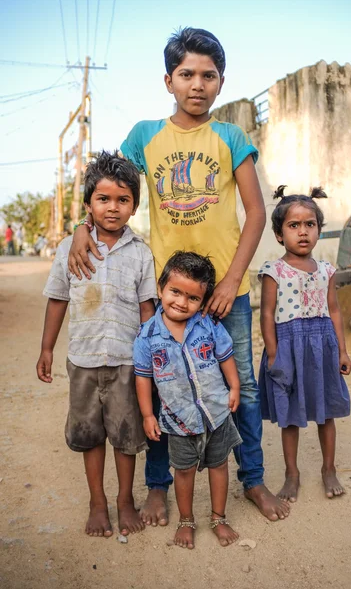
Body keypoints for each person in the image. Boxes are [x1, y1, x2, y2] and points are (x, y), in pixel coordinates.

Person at [68, 27, 290, 523]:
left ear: (221, 82)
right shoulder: (146, 136)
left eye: (208, 76)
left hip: (223, 293)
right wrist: (83, 225)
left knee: (243, 388)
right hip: (168, 295)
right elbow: (108, 183)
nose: (197, 84)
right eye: (186, 74)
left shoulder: (231, 137)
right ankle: (156, 486)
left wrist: (233, 281)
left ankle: (251, 480)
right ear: (168, 80)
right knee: (167, 386)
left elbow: (255, 213)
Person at [36, 151, 158, 538]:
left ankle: (125, 500)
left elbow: (147, 309)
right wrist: (46, 349)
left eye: (123, 200)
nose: (113, 207)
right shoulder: (70, 249)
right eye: (103, 199)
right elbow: (58, 298)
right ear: (89, 204)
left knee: (125, 436)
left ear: (134, 206)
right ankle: (97, 502)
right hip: (84, 360)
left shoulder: (140, 253)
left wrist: (154, 359)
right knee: (90, 435)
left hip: (126, 361)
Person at [134, 251, 242, 549]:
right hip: (177, 420)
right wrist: (147, 415)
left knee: (219, 465)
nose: (181, 302)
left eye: (192, 298)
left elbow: (226, 357)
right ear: (160, 289)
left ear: (202, 301)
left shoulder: (208, 325)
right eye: (175, 292)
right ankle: (186, 520)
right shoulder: (147, 336)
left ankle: (218, 518)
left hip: (216, 412)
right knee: (183, 471)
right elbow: (142, 378)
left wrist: (234, 387)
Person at [258, 185, 351, 503]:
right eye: (293, 225)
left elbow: (335, 311)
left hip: (321, 348)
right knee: (291, 416)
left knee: (327, 413)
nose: (302, 232)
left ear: (318, 230)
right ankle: (292, 475)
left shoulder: (326, 270)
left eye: (309, 224)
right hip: (288, 349)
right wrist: (273, 356)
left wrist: (342, 350)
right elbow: (267, 315)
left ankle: (329, 470)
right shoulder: (273, 271)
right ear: (279, 234)